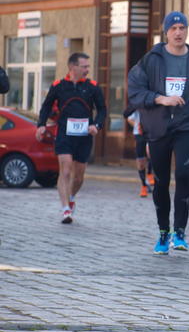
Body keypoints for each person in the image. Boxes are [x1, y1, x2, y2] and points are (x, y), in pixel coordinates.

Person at [128, 11, 189, 254]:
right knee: (161, 180)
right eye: (173, 28)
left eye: (182, 28)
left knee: (183, 173)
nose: (178, 33)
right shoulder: (152, 59)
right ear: (166, 32)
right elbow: (135, 89)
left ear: (187, 31)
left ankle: (179, 233)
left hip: (187, 126)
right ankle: (163, 232)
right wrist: (160, 98)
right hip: (158, 127)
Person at [36, 53, 107, 224]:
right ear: (72, 67)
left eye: (88, 66)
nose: (87, 69)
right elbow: (46, 106)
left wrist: (96, 126)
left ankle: (72, 197)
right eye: (84, 66)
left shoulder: (93, 87)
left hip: (84, 136)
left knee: (78, 177)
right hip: (64, 134)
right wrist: (41, 124)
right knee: (66, 170)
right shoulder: (59, 86)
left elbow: (102, 110)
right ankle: (65, 209)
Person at [123, 106, 154, 198]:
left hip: (152, 132)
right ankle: (144, 185)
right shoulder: (137, 103)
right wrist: (137, 125)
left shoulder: (154, 102)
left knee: (150, 152)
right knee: (140, 162)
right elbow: (129, 118)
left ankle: (150, 173)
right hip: (139, 133)